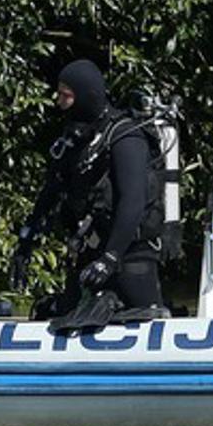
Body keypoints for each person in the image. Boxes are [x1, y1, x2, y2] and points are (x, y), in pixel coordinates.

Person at [11, 57, 166, 319]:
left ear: (86, 95)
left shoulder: (125, 136)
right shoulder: (76, 139)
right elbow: (51, 191)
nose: (59, 101)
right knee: (64, 315)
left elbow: (133, 201)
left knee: (139, 317)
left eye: (66, 95)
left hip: (130, 256)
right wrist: (26, 242)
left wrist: (110, 258)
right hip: (89, 254)